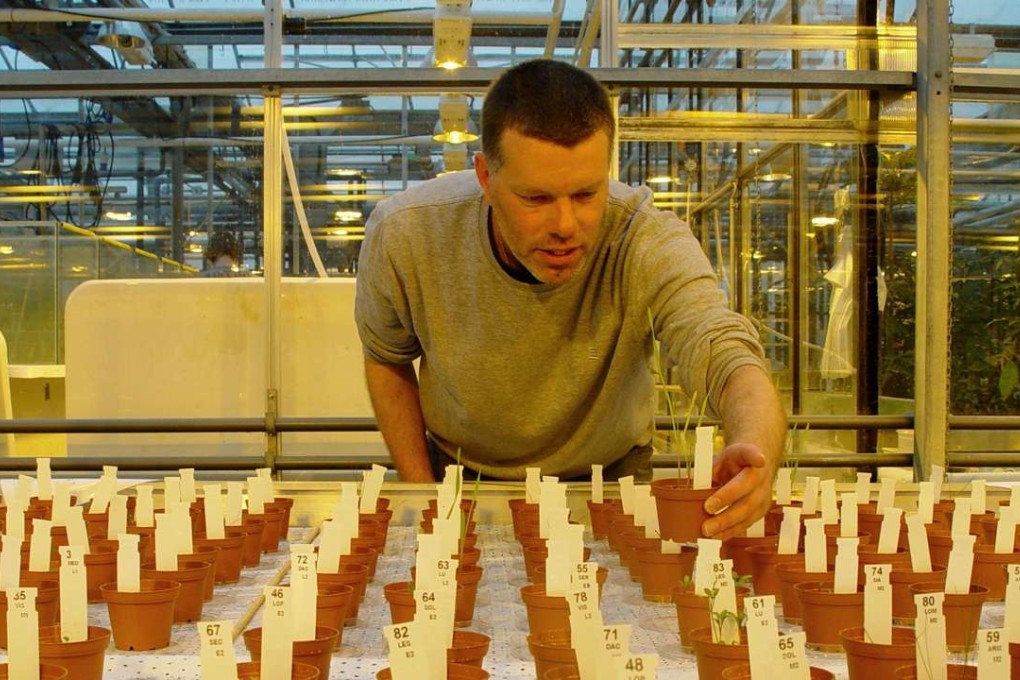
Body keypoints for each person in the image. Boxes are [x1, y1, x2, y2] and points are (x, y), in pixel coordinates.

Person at [354, 59, 787, 539]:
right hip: (463, 475)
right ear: (485, 177)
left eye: (586, 193)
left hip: (611, 479)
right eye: (536, 199)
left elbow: (722, 348)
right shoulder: (406, 235)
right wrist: (425, 493)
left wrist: (754, 443)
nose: (565, 226)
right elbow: (387, 358)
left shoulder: (643, 238)